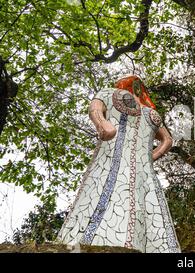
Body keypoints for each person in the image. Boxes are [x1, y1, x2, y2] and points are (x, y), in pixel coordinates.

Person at [58, 75, 180, 253]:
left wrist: (103, 124)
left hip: (133, 165)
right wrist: (102, 124)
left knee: (135, 202)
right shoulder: (127, 101)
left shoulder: (118, 96)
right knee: (118, 197)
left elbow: (167, 140)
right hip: (123, 160)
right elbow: (167, 141)